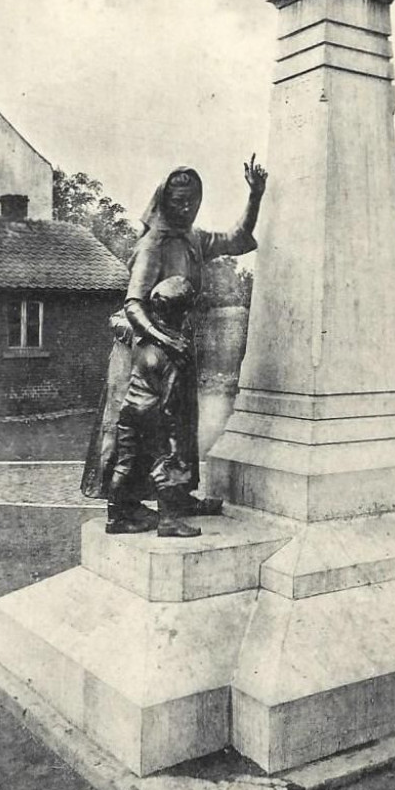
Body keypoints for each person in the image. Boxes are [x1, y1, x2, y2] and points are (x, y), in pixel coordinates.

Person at [81, 157, 267, 532]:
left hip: (173, 346)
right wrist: (165, 339)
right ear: (164, 202)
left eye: (192, 201)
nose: (186, 208)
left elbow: (236, 239)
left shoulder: (193, 239)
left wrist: (255, 196)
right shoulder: (154, 245)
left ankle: (176, 498)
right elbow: (134, 305)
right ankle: (128, 508)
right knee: (140, 431)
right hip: (143, 352)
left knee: (179, 427)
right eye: (179, 201)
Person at [107, 276, 202, 537]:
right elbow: (170, 399)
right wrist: (174, 439)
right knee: (167, 463)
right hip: (152, 415)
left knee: (124, 464)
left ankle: (115, 517)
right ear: (180, 312)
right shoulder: (174, 352)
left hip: (130, 409)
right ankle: (169, 521)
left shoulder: (143, 338)